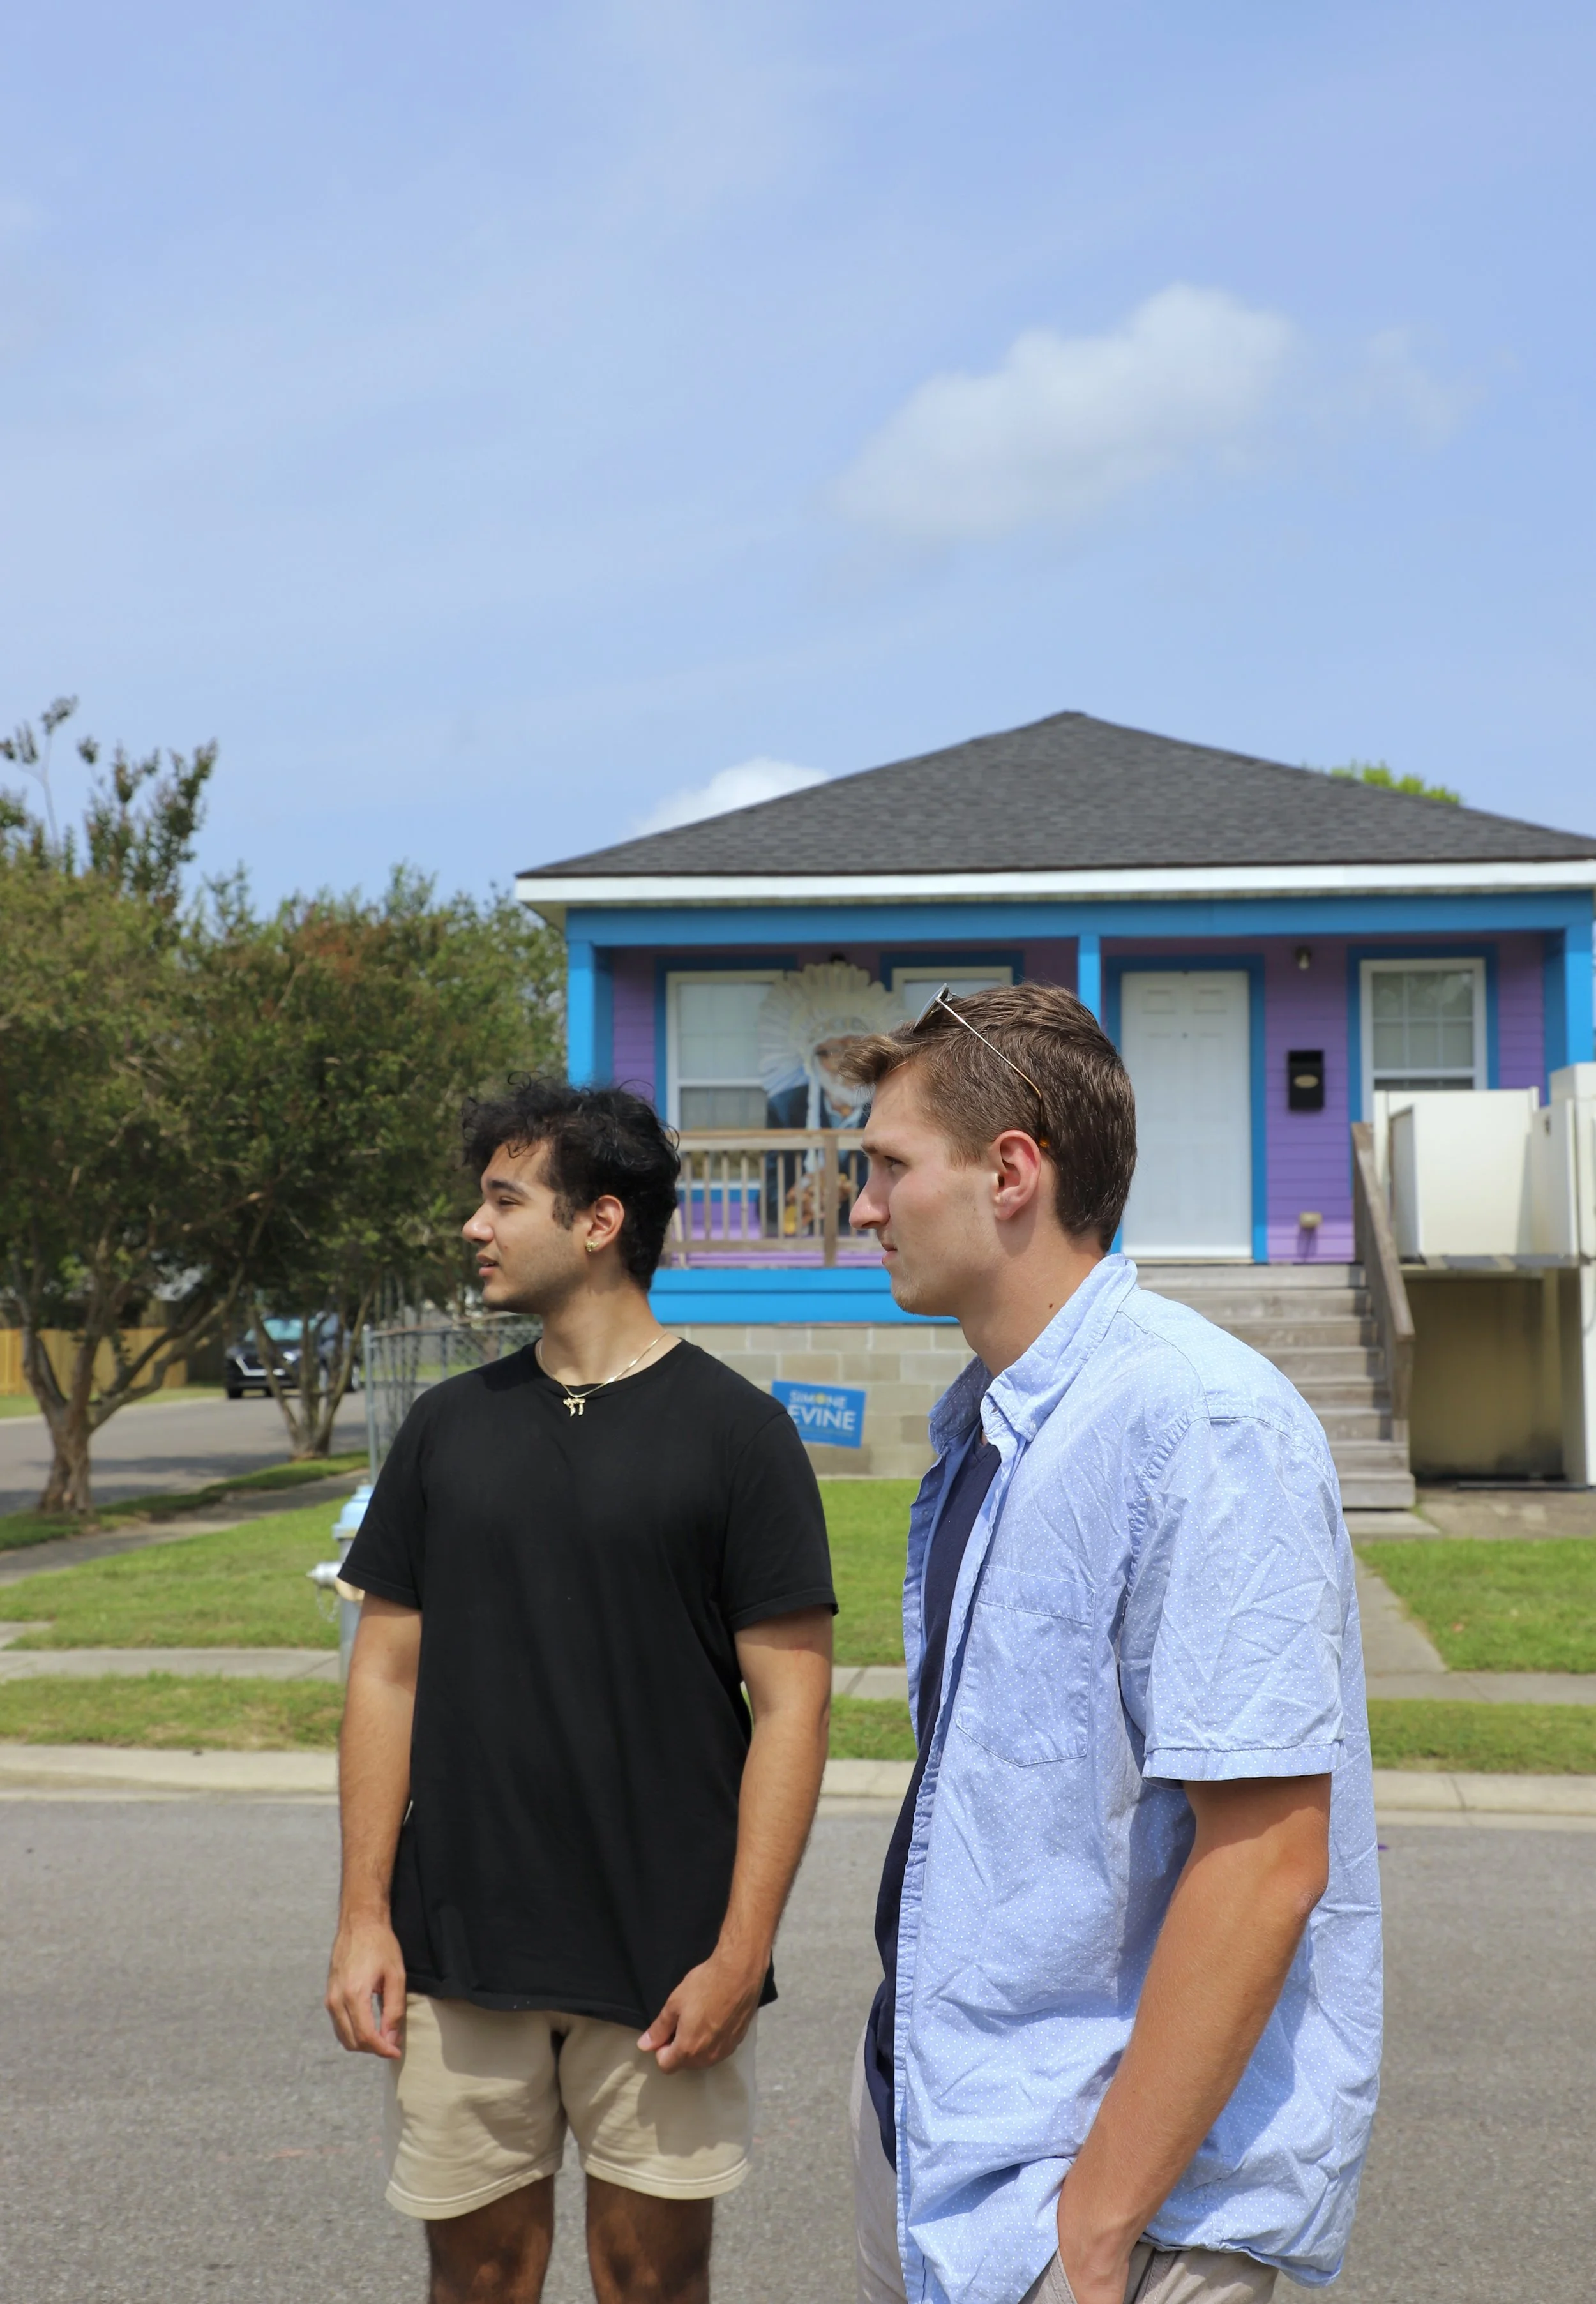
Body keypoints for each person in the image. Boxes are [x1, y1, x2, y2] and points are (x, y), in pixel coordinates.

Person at [839, 985, 1381, 2304]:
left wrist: (1095, 2224)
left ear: (1009, 1173)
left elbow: (1266, 1858)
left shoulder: (1198, 1425)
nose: (862, 1207)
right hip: (953, 2145)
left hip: (1103, 2204)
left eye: (888, 1166)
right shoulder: (992, 1427)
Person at [325, 1080, 836, 2304]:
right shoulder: (445, 1429)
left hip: (667, 1955)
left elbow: (795, 1710)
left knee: (650, 2278)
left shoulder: (740, 1435)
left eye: (505, 1201)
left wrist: (742, 1951)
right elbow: (384, 1674)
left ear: (600, 1221)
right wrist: (362, 1916)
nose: (475, 1226)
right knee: (479, 2276)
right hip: (462, 1944)